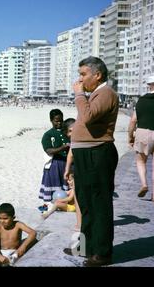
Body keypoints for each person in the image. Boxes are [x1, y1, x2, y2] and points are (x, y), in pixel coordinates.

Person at [63, 57, 119, 267]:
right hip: (86, 154)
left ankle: (102, 253)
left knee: (99, 204)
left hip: (98, 154)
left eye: (84, 74)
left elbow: (87, 116)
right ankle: (85, 247)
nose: (80, 79)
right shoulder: (96, 93)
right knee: (85, 203)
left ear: (98, 75)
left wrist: (79, 94)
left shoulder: (106, 93)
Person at [128, 75, 154, 201]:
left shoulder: (141, 101)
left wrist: (130, 136)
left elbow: (133, 121)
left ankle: (144, 184)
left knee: (141, 161)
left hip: (143, 132)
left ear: (149, 85)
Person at [38, 109, 69, 202]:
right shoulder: (48, 135)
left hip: (68, 164)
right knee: (54, 196)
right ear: (51, 120)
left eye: (61, 120)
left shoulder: (67, 132)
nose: (59, 123)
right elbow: (49, 151)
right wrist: (63, 148)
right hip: (55, 165)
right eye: (56, 121)